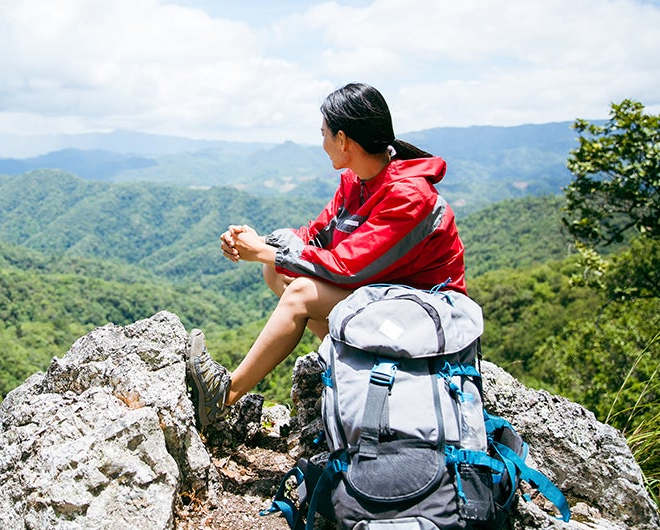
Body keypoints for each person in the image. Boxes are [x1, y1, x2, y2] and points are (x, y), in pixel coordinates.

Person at [186, 82, 467, 429]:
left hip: (426, 314)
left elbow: (348, 267)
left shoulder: (409, 195)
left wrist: (262, 252)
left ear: (344, 140)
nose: (322, 144)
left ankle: (222, 397)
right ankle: (350, 364)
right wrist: (261, 243)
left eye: (324, 135)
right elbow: (316, 236)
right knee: (276, 272)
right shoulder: (357, 180)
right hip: (387, 295)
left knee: (300, 293)